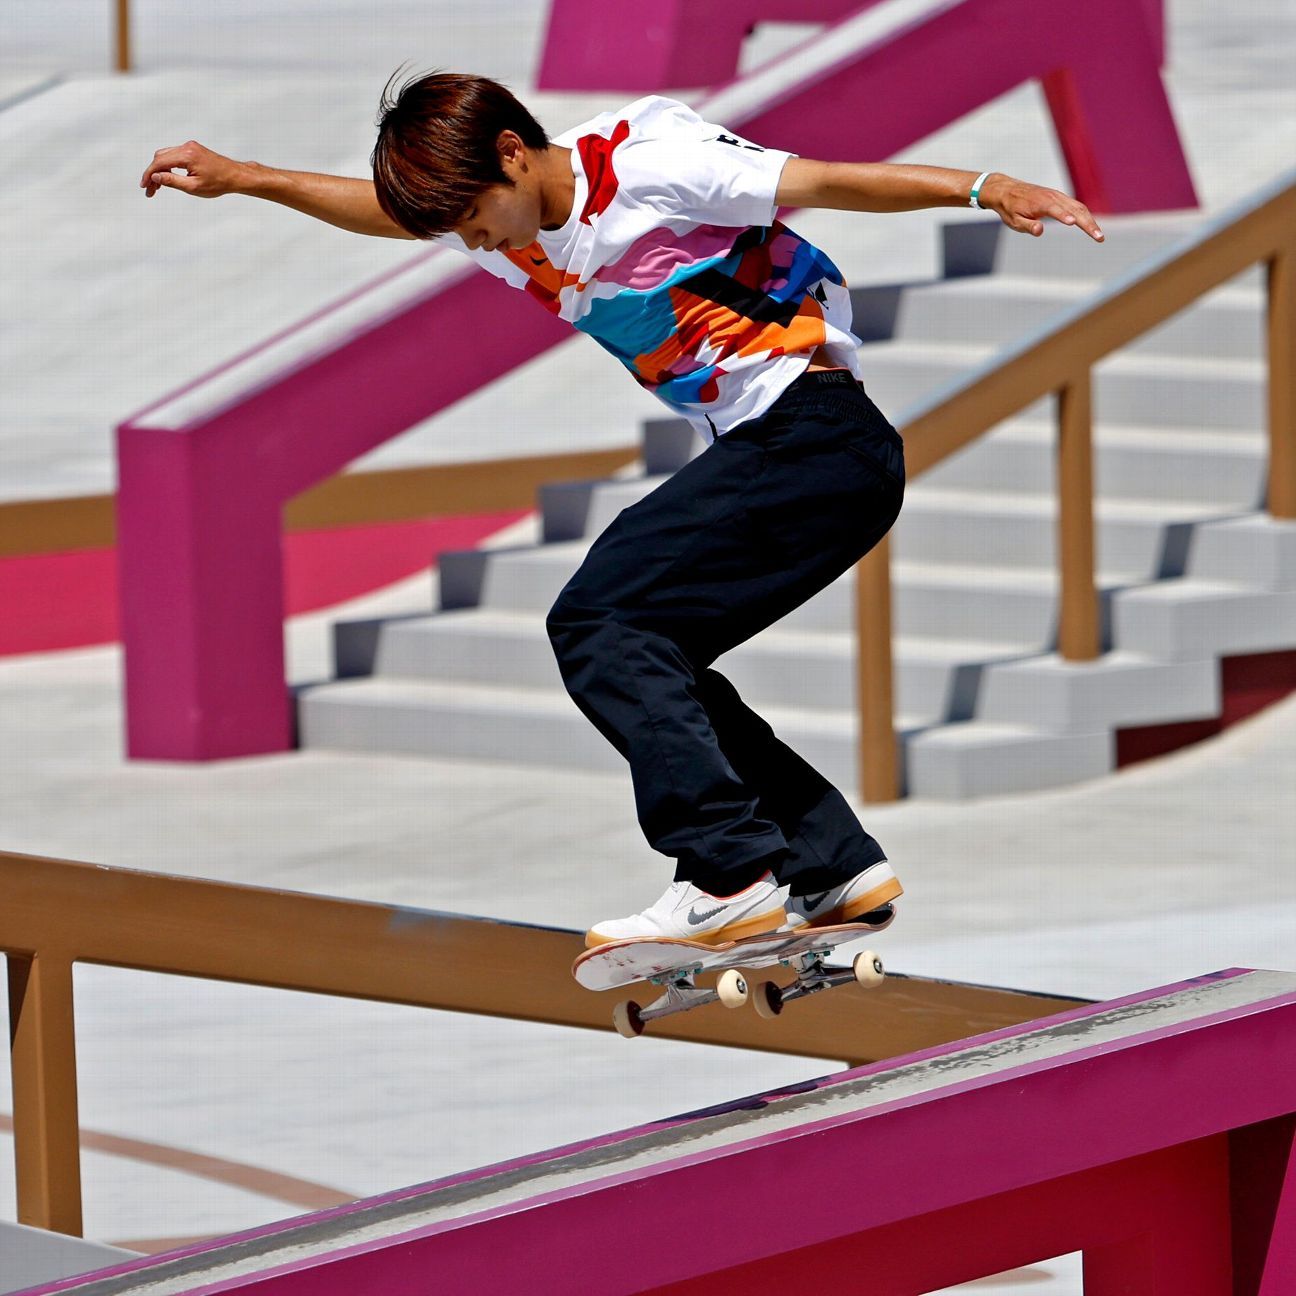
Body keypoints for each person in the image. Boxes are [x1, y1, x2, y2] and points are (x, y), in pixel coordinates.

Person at [141, 71, 1102, 949]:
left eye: (479, 217)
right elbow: (388, 214)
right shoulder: (508, 223)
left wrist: (984, 188)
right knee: (658, 654)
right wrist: (245, 176)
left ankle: (728, 874)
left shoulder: (648, 164)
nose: (482, 245)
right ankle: (829, 863)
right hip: (791, 456)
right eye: (465, 233)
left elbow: (825, 181)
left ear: (514, 152)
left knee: (599, 622)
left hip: (813, 436)